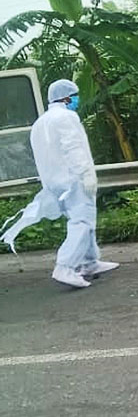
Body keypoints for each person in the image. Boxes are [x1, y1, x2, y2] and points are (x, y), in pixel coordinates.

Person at [0, 80, 118, 289]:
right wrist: (85, 174)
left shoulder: (41, 122)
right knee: (81, 223)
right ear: (66, 97)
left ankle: (89, 262)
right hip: (74, 180)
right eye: (75, 95)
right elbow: (73, 147)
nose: (77, 100)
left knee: (83, 221)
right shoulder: (66, 117)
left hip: (55, 184)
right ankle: (65, 266)